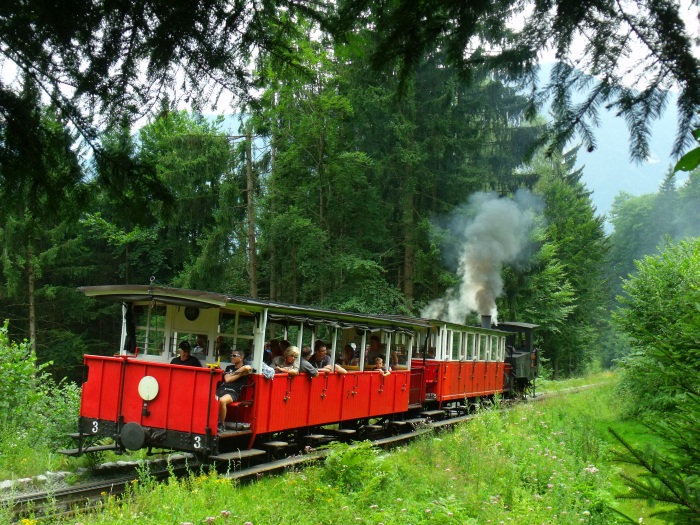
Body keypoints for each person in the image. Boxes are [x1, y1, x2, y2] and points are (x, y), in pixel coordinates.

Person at [216, 351, 252, 432]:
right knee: (209, 398)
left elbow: (247, 368)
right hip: (222, 389)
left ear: (241, 357)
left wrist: (234, 374)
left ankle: (221, 424)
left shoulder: (246, 367)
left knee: (222, 401)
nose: (232, 357)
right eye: (231, 355)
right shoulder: (229, 367)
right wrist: (239, 374)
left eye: (234, 355)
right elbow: (227, 379)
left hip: (233, 392)